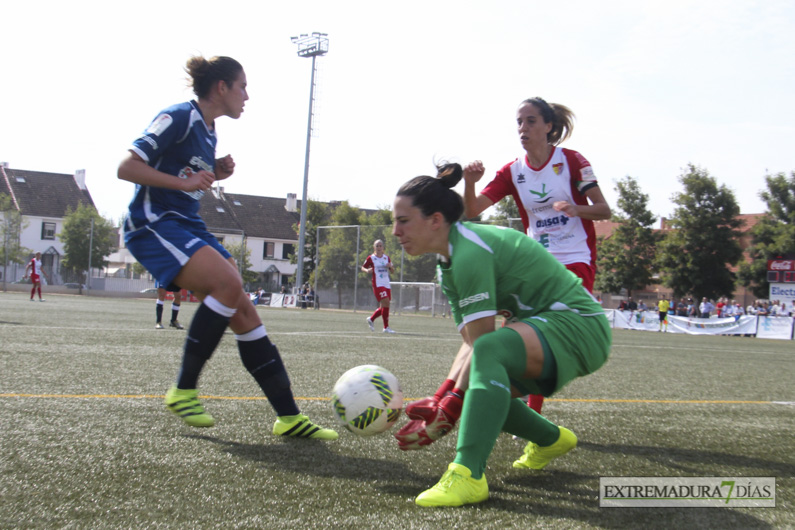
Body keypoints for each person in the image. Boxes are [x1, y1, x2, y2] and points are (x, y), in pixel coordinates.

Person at [117, 55, 336, 440]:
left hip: (186, 225)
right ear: (221, 87)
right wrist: (185, 184)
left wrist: (214, 171)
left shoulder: (209, 129)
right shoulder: (178, 116)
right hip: (153, 224)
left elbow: (183, 170)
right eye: (243, 86)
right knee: (228, 285)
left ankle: (288, 417)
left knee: (244, 307)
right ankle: (183, 388)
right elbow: (126, 167)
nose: (247, 96)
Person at [392, 163, 611, 507]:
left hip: (579, 326)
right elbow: (472, 345)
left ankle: (467, 475)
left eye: (403, 221)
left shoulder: (469, 253)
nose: (395, 231)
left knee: (486, 366)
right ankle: (551, 439)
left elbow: (484, 346)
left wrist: (449, 407)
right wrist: (444, 397)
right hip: (551, 328)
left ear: (435, 220)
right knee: (485, 392)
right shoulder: (449, 262)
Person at [461, 97, 610, 417]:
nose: (522, 128)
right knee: (512, 334)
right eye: (519, 122)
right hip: (534, 262)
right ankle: (495, 402)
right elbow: (472, 211)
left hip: (574, 260)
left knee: (548, 333)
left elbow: (603, 210)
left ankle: (529, 410)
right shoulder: (513, 171)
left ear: (549, 127)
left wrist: (576, 209)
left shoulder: (572, 161)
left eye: (530, 121)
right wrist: (469, 184)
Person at [361, 239, 396, 333]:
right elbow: (362, 267)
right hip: (378, 284)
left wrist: (390, 266)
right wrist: (367, 270)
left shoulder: (386, 258)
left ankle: (371, 319)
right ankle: (386, 327)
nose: (379, 248)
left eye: (380, 246)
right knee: (386, 302)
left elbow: (392, 271)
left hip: (386, 283)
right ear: (374, 247)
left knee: (384, 306)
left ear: (383, 247)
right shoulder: (371, 258)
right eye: (377, 246)